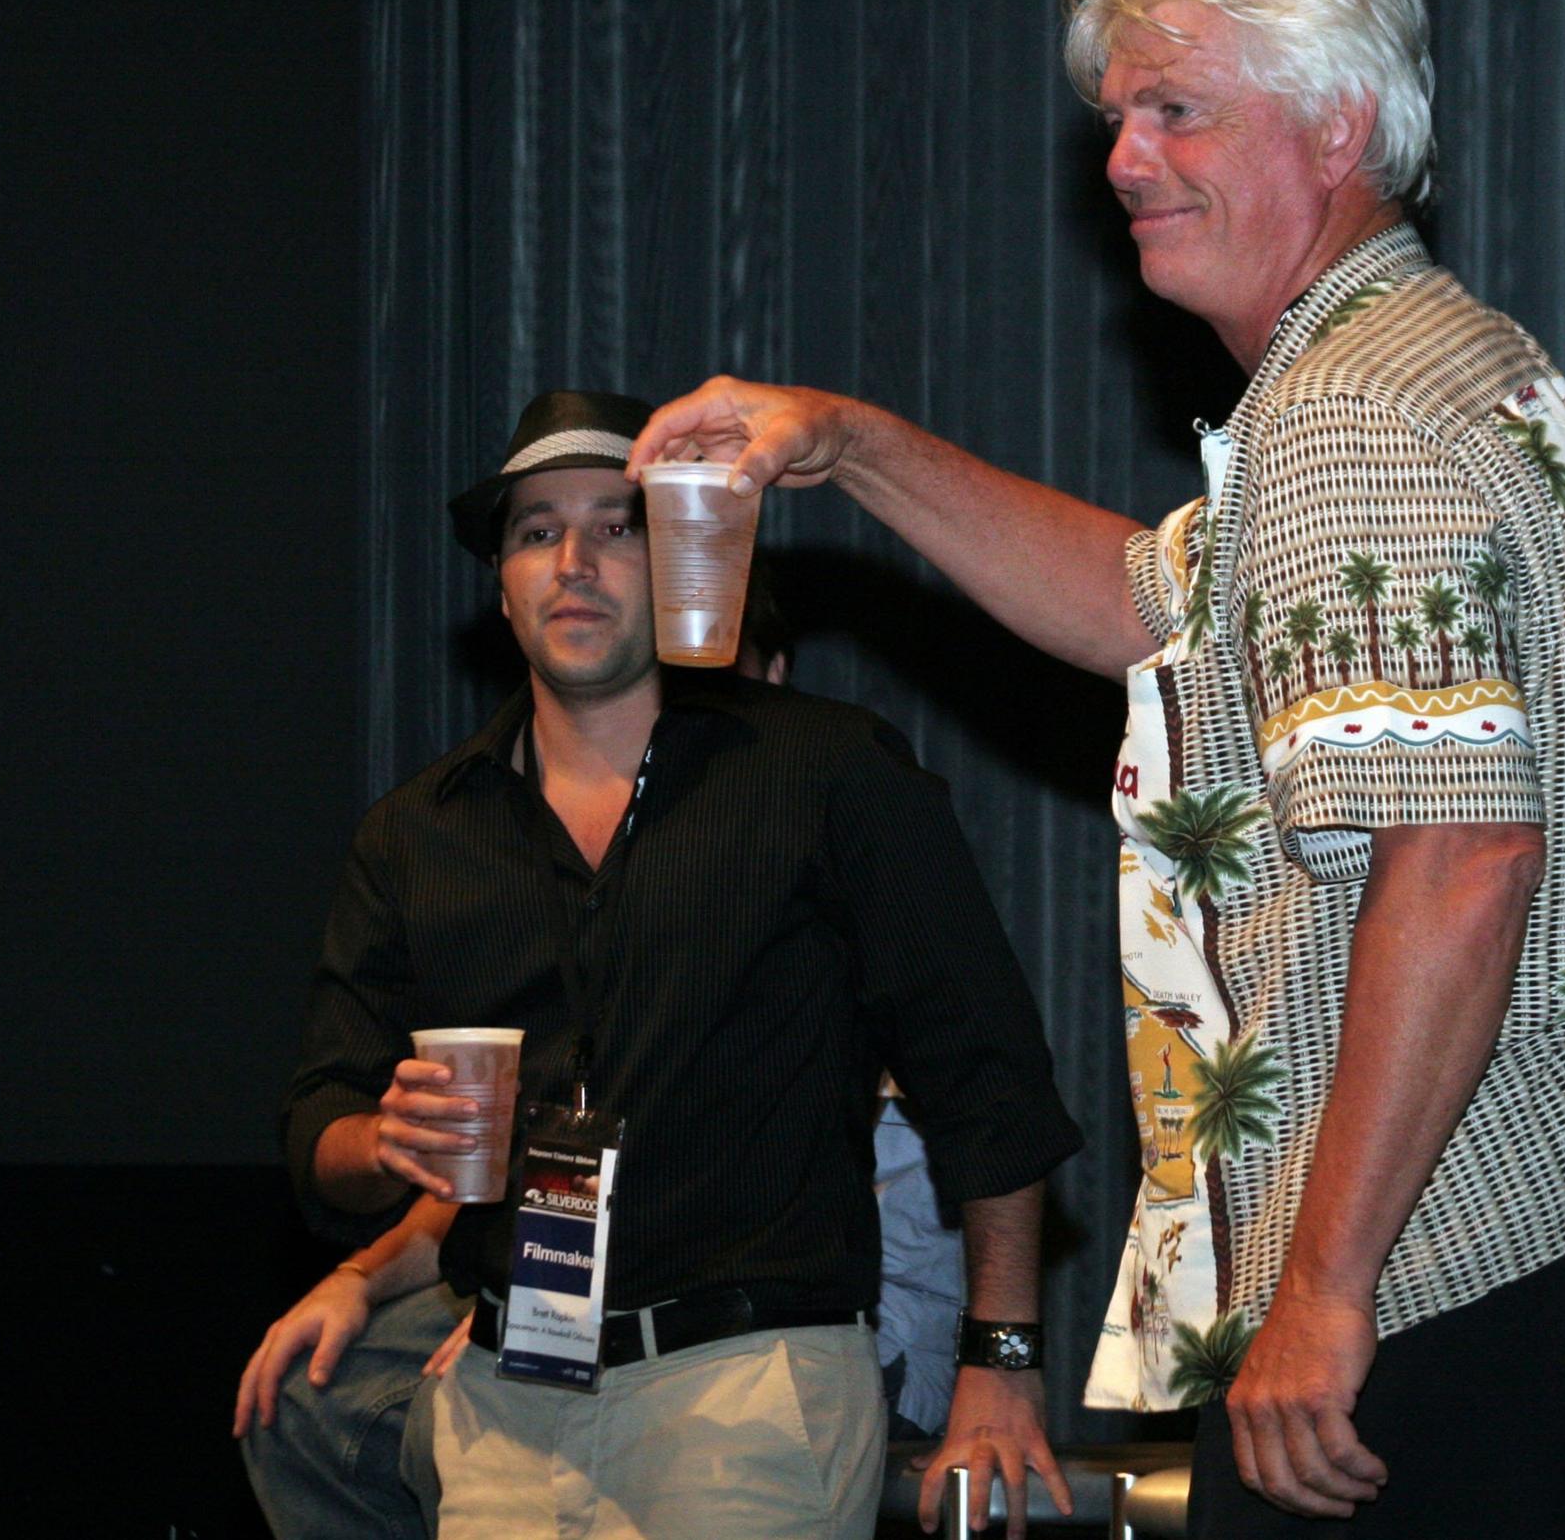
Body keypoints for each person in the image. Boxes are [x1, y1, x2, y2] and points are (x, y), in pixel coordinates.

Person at [631, 0, 1565, 1536]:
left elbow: (1461, 858)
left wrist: (1324, 1286)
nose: (1121, 158)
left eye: (1177, 109)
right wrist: (853, 448)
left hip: (1467, 1256)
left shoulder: (1346, 420)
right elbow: (1145, 603)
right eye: (1116, 115)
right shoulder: (1434, 353)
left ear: (1344, 127)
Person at [279, 388, 1082, 1540]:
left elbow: (989, 1084)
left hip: (751, 1383)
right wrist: (380, 1141)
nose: (575, 559)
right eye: (536, 529)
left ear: (691, 555)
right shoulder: (419, 832)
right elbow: (321, 1122)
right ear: (501, 587)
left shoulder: (824, 772)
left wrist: (1001, 1361)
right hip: (507, 1387)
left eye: (620, 524)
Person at [235, 576, 972, 1534]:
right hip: (560, 1289)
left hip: (782, 1329)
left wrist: (1006, 1368)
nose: (683, 714)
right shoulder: (528, 856)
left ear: (777, 678)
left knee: (422, 1410)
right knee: (308, 1393)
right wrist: (411, 1285)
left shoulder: (826, 842)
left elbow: (967, 1133)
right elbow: (548, 1160)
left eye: (717, 675)